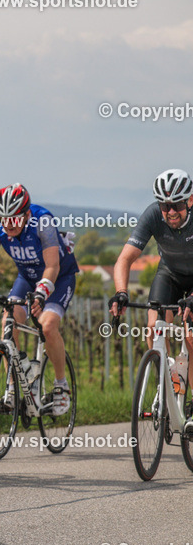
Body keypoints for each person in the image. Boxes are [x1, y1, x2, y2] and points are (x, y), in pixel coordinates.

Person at [110, 168, 193, 429]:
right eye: (164, 205)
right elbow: (124, 259)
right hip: (169, 274)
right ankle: (165, 383)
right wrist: (121, 292)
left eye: (177, 205)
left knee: (191, 338)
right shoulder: (152, 216)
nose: (170, 212)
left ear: (189, 200)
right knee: (153, 327)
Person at [0, 184, 78, 415]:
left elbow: (52, 266)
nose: (8, 224)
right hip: (27, 277)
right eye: (3, 218)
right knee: (8, 321)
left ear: (27, 214)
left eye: (15, 219)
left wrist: (42, 292)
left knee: (48, 326)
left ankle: (61, 385)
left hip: (59, 277)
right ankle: (11, 388)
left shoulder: (43, 222)